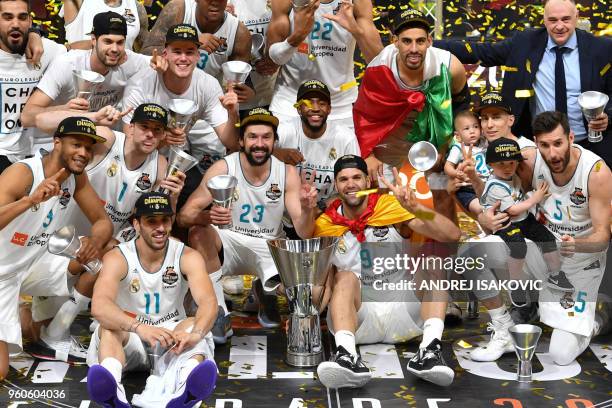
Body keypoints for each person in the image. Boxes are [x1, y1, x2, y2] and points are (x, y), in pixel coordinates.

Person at [463, 111, 611, 365]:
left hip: (578, 261)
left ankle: (598, 318)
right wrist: (485, 216)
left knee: (561, 355)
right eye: (544, 145)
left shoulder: (596, 172)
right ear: (535, 142)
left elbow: (602, 236)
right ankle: (503, 330)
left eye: (558, 143)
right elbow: (493, 191)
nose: (552, 154)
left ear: (571, 138)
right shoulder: (528, 160)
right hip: (539, 248)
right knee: (470, 254)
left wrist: (577, 244)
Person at [314, 155, 461, 388]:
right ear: (336, 185)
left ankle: (429, 352)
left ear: (367, 181)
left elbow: (452, 235)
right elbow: (326, 280)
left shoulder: (390, 207)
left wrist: (415, 207)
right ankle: (347, 355)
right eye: (343, 179)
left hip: (404, 310)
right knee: (345, 276)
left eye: (356, 177)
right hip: (359, 317)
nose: (350, 184)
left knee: (433, 263)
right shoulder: (325, 224)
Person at [177, 107, 318, 343]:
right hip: (229, 241)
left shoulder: (287, 173)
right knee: (198, 233)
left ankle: (264, 291)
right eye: (253, 137)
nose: (259, 143)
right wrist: (208, 217)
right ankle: (218, 311)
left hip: (270, 244)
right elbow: (183, 216)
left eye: (266, 137)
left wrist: (307, 208)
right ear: (241, 140)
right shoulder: (223, 168)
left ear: (275, 142)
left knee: (308, 297)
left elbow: (304, 232)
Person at [435, 0, 612, 167]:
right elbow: (480, 51)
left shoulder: (602, 48)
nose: (559, 26)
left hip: (590, 146)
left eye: (565, 19)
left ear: (577, 16)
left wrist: (608, 116)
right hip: (538, 150)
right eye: (552, 20)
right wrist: (427, 45)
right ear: (543, 19)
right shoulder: (525, 43)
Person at [0, 116, 112, 379]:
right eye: (76, 145)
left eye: (88, 147)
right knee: (1, 372)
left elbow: (102, 222)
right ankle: (23, 316)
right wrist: (30, 200)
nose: (83, 153)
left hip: (35, 263)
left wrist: (93, 244)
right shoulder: (23, 173)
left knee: (109, 251)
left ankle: (50, 331)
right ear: (57, 142)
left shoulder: (76, 178)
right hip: (2, 272)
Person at [86, 192, 218, 408]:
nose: (160, 228)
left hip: (172, 339)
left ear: (171, 221)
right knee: (109, 328)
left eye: (165, 220)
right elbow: (100, 306)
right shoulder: (117, 257)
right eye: (151, 221)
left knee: (194, 325)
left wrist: (196, 334)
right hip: (132, 337)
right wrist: (140, 328)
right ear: (137, 225)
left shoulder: (188, 256)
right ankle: (113, 394)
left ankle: (186, 388)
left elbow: (208, 302)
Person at [353, 9, 467, 225]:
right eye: (406, 41)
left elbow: (461, 106)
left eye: (420, 41)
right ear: (394, 41)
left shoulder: (449, 67)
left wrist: (448, 144)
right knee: (382, 189)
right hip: (392, 134)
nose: (414, 49)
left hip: (433, 130)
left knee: (441, 189)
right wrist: (369, 154)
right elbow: (365, 116)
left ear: (430, 41)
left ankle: (447, 250)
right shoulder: (379, 68)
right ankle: (388, 242)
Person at [122, 23, 240, 208]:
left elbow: (231, 142)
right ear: (165, 54)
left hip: (177, 161)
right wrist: (164, 138)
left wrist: (233, 114)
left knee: (193, 198)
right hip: (140, 160)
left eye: (190, 52)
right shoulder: (141, 83)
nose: (183, 58)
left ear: (198, 56)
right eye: (177, 51)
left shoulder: (207, 85)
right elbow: (129, 141)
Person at [34, 103, 186, 242]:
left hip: (105, 238)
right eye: (144, 127)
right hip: (61, 229)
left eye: (157, 130)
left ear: (163, 135)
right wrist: (93, 118)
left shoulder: (160, 165)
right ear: (131, 127)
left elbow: (161, 224)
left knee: (173, 243)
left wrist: (173, 198)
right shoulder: (107, 139)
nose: (150, 134)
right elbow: (41, 120)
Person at [21, 12, 161, 153]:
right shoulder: (67, 64)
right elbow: (27, 116)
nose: (115, 49)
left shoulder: (131, 62)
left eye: (120, 42)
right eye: (108, 41)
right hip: (53, 142)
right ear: (93, 40)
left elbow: (162, 62)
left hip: (97, 143)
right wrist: (65, 108)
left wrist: (163, 65)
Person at [267, 0, 383, 128]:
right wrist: (298, 35)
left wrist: (357, 31)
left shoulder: (358, 2)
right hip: (291, 102)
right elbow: (272, 61)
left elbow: (378, 63)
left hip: (340, 104)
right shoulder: (285, 2)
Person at [480, 138, 568, 300]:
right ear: (490, 165)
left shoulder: (513, 177)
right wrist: (536, 198)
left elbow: (519, 199)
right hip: (504, 222)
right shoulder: (495, 186)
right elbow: (512, 210)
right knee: (519, 246)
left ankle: (556, 275)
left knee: (547, 237)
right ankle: (515, 285)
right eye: (501, 164)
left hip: (523, 218)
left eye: (512, 163)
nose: (507, 168)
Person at [0, 0, 66, 172]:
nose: (15, 24)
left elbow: (83, 48)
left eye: (22, 17)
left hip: (38, 153)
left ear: (29, 21)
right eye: (7, 17)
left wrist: (36, 34)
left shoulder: (48, 51)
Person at [275, 79, 360, 208]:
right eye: (308, 103)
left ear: (329, 109)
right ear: (298, 108)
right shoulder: (284, 131)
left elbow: (355, 187)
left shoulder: (345, 137)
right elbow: (249, 156)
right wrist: (277, 153)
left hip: (327, 214)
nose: (315, 108)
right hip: (285, 212)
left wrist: (320, 208)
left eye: (321, 103)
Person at [443, 110, 487, 213]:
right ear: (458, 136)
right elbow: (448, 166)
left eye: (476, 127)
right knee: (479, 208)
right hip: (467, 188)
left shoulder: (484, 143)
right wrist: (456, 173)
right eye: (466, 128)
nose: (472, 131)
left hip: (485, 185)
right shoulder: (458, 148)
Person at [61, 0, 149, 51]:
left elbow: (144, 49)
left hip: (122, 79)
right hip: (81, 77)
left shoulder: (136, 7)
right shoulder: (78, 2)